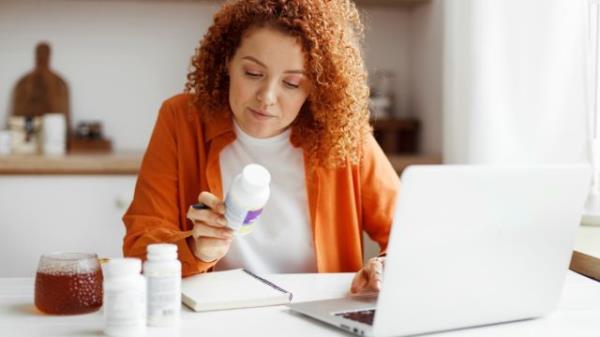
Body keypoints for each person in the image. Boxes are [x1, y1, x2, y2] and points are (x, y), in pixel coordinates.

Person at [123, 0, 399, 294]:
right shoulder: (182, 120)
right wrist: (195, 249)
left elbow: (415, 235)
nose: (267, 97)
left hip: (318, 315)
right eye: (253, 74)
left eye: (292, 83)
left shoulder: (341, 132)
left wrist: (387, 265)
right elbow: (141, 247)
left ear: (318, 85)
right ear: (227, 60)